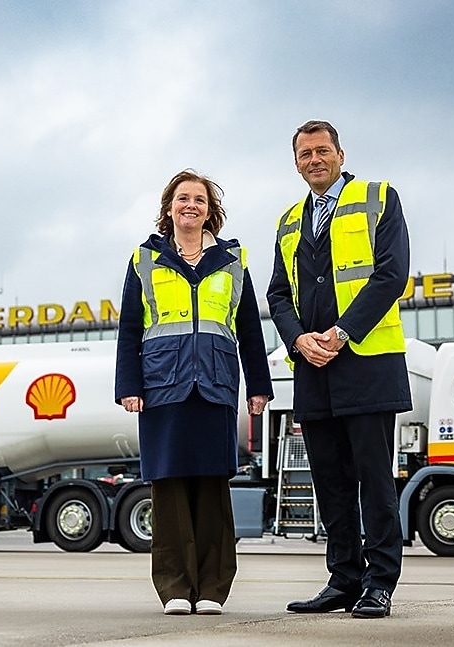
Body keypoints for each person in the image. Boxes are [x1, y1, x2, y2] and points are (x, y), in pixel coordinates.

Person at [267, 120, 411, 619]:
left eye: (322, 151)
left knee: (374, 480)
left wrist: (342, 332)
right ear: (296, 163)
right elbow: (278, 294)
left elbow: (392, 274)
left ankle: (380, 583)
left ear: (340, 154)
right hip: (314, 369)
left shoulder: (379, 198)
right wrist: (298, 339)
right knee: (330, 483)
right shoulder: (289, 220)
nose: (315, 160)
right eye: (305, 154)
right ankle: (344, 579)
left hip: (367, 364)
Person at [115, 169, 273, 616]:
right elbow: (129, 328)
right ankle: (175, 589)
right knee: (169, 490)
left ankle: (212, 590)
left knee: (211, 488)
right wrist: (129, 385)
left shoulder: (232, 260)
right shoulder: (145, 259)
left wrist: (258, 386)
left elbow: (249, 328)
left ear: (209, 210)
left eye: (199, 199)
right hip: (162, 387)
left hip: (215, 385)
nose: (191, 205)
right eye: (182, 198)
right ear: (169, 208)